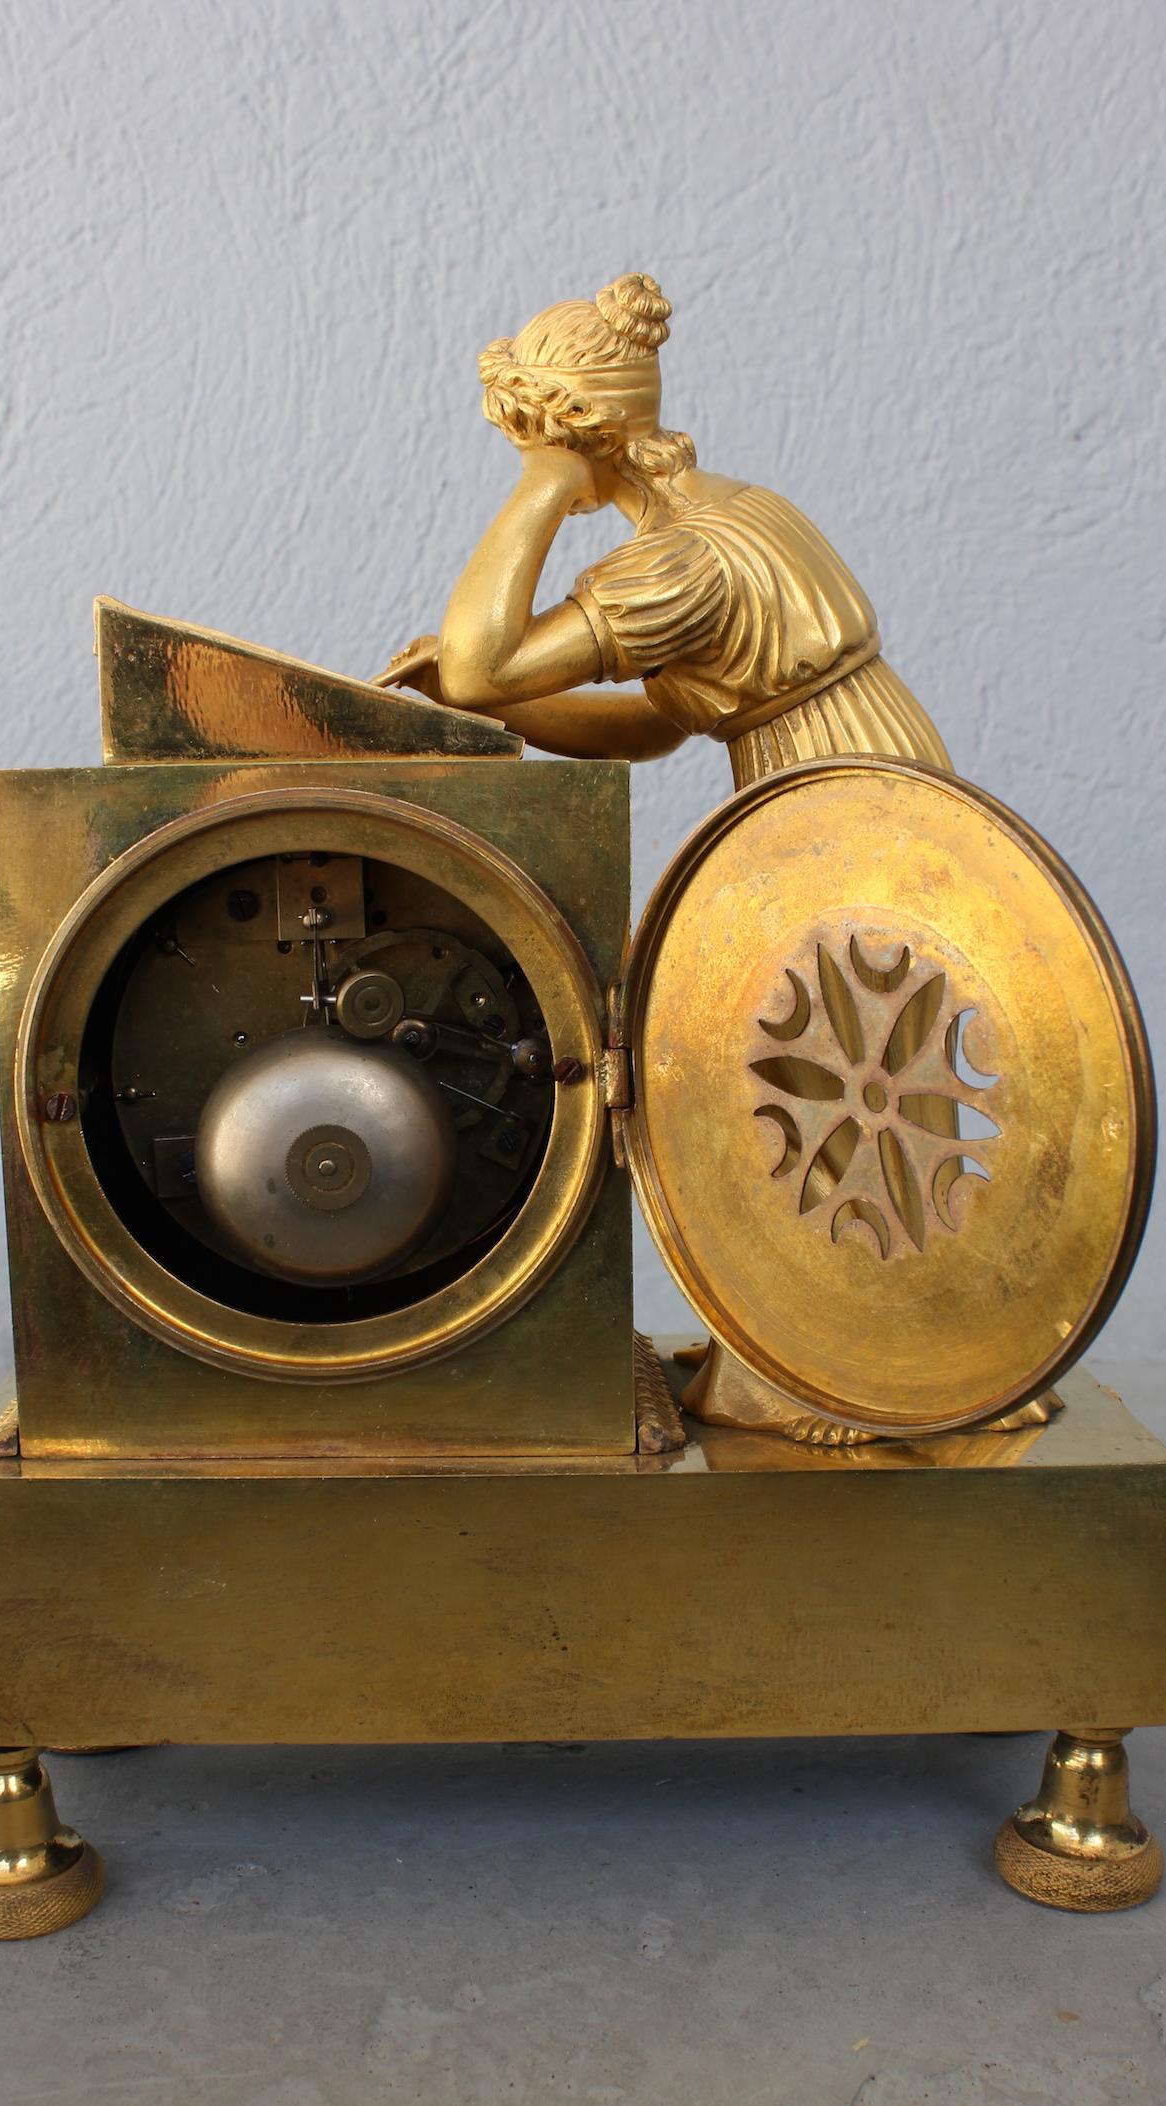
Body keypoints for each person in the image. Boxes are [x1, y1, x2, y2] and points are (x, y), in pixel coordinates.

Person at [377, 271, 962, 1442]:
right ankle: (849, 1337)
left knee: (772, 1062)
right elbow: (655, 722)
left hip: (829, 815)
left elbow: (491, 659)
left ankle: (831, 1366)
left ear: (574, 431)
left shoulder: (679, 567)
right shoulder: (735, 512)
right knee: (847, 1065)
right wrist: (504, 719)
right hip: (857, 781)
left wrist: (542, 491)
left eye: (532, 439)